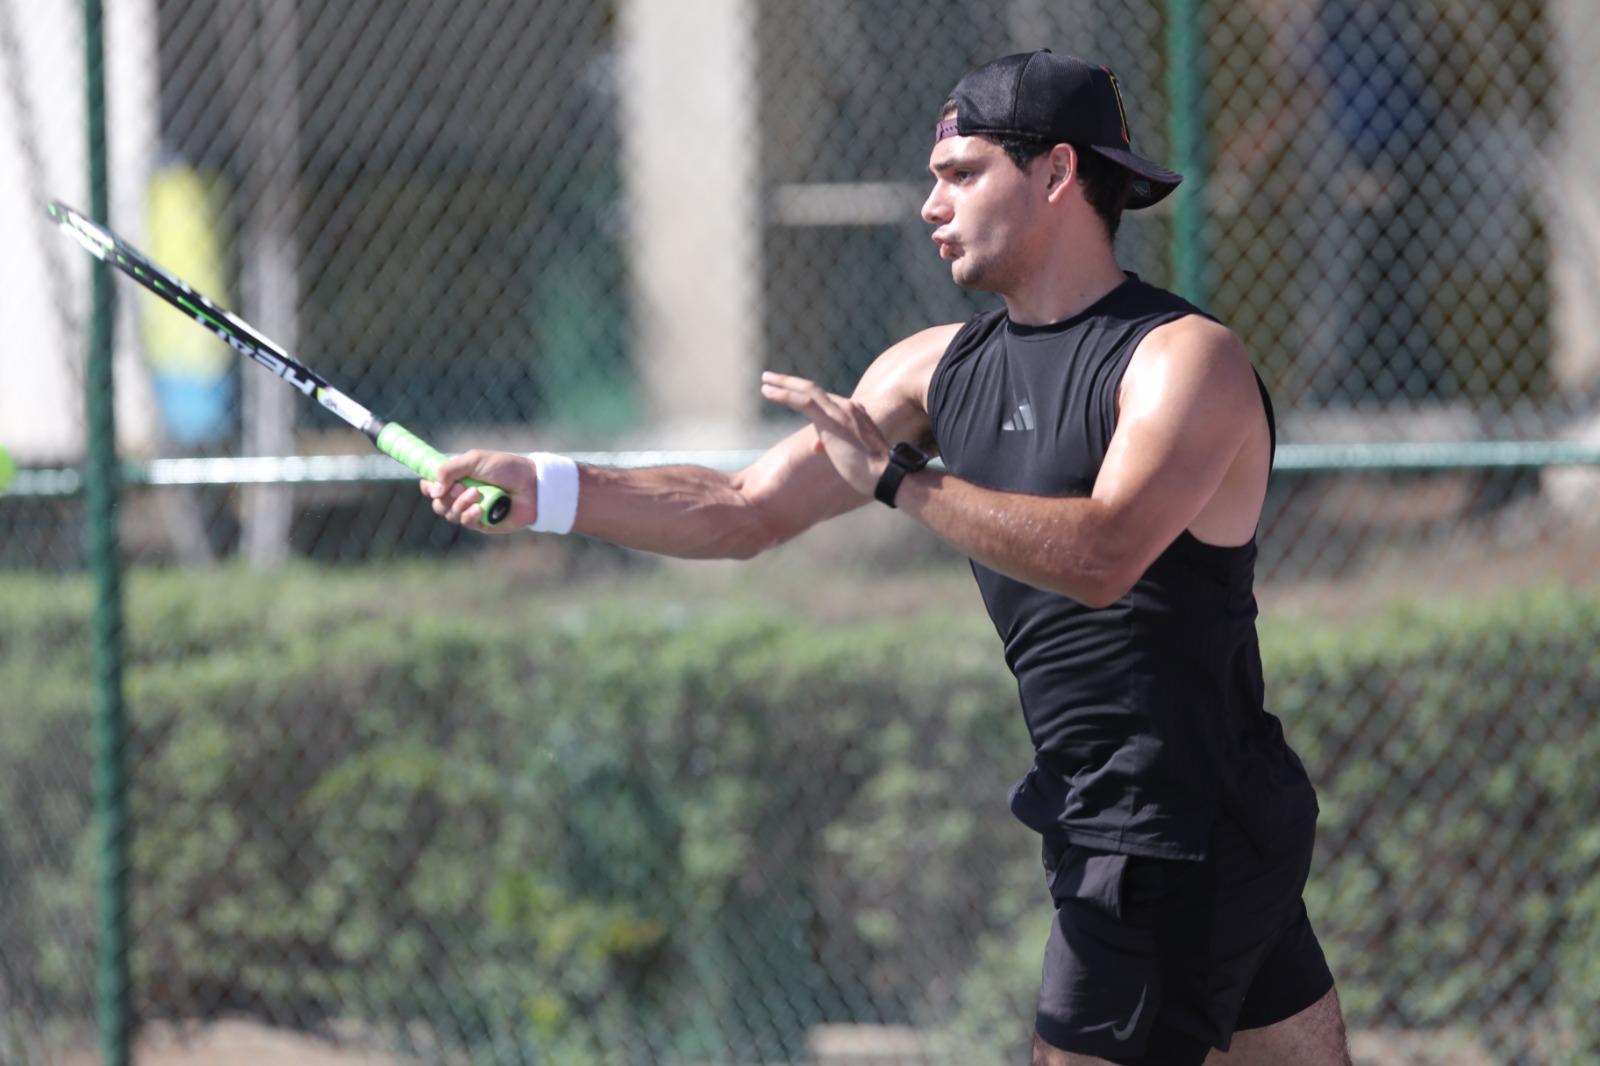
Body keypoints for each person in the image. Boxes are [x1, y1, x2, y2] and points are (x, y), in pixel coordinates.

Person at [423, 49, 1352, 1066]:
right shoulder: (933, 370)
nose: (929, 206)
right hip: (1144, 818)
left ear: (1054, 175)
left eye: (960, 174)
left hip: (1164, 833)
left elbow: (1103, 554)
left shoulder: (1183, 358)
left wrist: (903, 482)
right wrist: (548, 488)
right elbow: (744, 509)